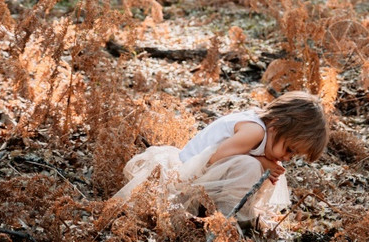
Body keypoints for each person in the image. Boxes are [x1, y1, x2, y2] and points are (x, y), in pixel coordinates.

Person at [114, 91, 328, 223]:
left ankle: (224, 213)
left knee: (255, 168)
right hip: (182, 177)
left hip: (200, 178)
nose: (288, 157)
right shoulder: (255, 131)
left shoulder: (264, 131)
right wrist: (261, 162)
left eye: (294, 155)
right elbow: (216, 156)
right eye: (290, 149)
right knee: (249, 166)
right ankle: (229, 220)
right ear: (276, 125)